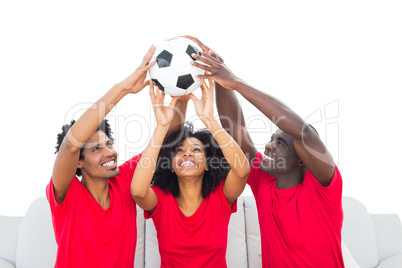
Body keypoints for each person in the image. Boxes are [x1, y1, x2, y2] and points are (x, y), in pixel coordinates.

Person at [186, 36, 344, 267]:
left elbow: (302, 132)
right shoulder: (264, 181)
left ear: (303, 161)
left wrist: (237, 82)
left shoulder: (323, 189)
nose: (269, 145)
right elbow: (235, 130)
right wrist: (219, 78)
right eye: (271, 139)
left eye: (281, 144)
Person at [46, 45, 188, 268]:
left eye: (109, 144)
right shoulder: (68, 194)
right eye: (96, 149)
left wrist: (182, 99)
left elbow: (169, 143)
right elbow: (70, 146)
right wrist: (123, 88)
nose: (109, 152)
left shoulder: (124, 180)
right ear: (79, 163)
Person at [131, 78, 251, 267]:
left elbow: (242, 170)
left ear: (207, 165)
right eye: (179, 150)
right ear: (171, 165)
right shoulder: (161, 200)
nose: (187, 153)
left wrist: (210, 120)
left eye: (196, 150)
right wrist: (162, 127)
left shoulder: (221, 196)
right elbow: (138, 191)